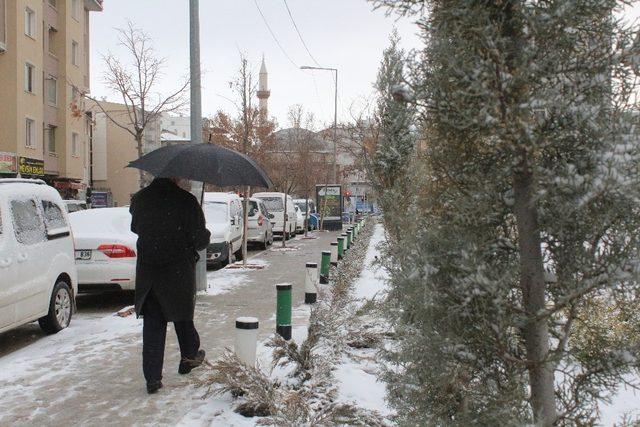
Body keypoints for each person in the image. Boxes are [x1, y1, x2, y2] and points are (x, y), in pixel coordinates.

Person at [129, 177, 211, 394]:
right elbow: (200, 240)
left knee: (153, 324)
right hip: (177, 272)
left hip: (149, 272)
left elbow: (135, 227)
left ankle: (153, 378)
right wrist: (202, 232)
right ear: (176, 177)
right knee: (183, 316)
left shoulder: (140, 199)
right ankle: (189, 358)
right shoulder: (186, 201)